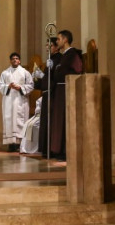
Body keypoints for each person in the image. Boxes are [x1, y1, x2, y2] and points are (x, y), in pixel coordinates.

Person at [50, 30, 83, 161]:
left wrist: (59, 71)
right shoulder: (64, 56)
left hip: (67, 90)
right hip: (60, 90)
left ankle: (65, 150)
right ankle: (58, 150)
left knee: (65, 120)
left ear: (65, 40)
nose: (57, 41)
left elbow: (77, 71)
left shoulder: (73, 54)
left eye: (58, 39)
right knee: (59, 121)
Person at [0, 52, 33, 151]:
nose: (15, 60)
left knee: (20, 121)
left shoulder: (25, 72)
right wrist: (8, 86)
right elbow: (0, 85)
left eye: (17, 58)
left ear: (19, 60)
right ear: (10, 61)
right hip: (9, 100)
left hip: (21, 100)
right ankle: (11, 144)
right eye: (13, 59)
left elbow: (31, 85)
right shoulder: (5, 73)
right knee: (9, 120)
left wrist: (20, 87)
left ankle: (20, 144)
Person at [32, 37, 60, 157]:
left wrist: (43, 76)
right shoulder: (50, 60)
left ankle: (51, 150)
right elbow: (44, 81)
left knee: (51, 122)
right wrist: (36, 78)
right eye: (46, 46)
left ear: (56, 47)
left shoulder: (58, 59)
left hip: (53, 95)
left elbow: (54, 79)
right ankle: (45, 149)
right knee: (45, 122)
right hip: (46, 94)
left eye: (50, 46)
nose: (48, 48)